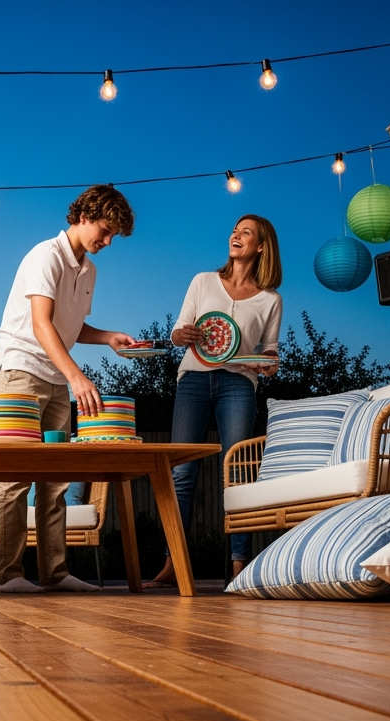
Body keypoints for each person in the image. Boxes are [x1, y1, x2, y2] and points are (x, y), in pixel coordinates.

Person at [0, 184, 137, 593]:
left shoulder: (88, 270)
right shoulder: (44, 256)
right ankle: (11, 576)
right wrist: (77, 377)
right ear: (84, 215)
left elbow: (72, 326)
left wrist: (108, 337)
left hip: (55, 374)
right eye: (104, 231)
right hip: (19, 369)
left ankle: (54, 573)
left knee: (55, 480)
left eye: (112, 237)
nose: (106, 242)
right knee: (16, 477)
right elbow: (41, 324)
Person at [145, 214, 282, 589]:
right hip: (193, 380)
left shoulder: (271, 300)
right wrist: (182, 334)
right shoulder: (203, 281)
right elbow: (176, 332)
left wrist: (269, 363)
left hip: (239, 385)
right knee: (180, 474)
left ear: (261, 247)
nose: (236, 235)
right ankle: (173, 564)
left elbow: (270, 350)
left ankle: (239, 566)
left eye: (246, 232)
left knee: (237, 472)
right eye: (235, 230)